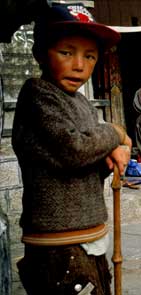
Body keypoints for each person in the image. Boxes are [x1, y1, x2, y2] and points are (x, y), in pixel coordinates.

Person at [12, 4, 131, 294]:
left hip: (90, 232)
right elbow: (75, 149)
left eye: (89, 56)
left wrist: (115, 151)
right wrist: (116, 132)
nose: (79, 65)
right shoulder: (38, 96)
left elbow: (94, 154)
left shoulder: (81, 103)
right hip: (57, 243)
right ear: (40, 53)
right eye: (67, 52)